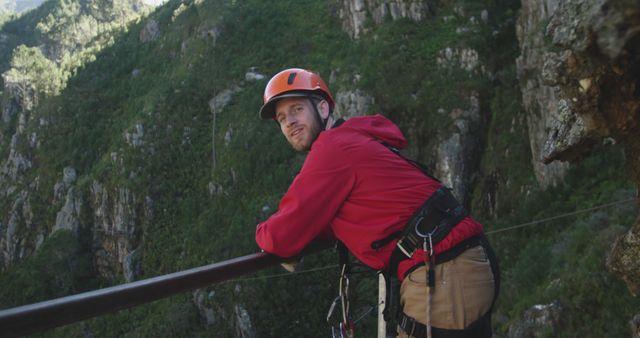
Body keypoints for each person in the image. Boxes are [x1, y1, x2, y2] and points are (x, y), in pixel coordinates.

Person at [255, 68, 498, 338]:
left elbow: (278, 236)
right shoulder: (354, 138)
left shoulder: (332, 149)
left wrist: (274, 237)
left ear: (322, 108)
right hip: (463, 263)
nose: (289, 121)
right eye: (281, 118)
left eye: (297, 109)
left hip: (444, 275)